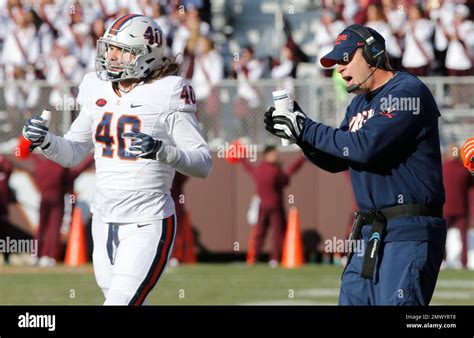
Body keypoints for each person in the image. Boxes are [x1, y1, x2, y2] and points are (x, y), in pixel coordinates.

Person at [22, 14, 211, 305]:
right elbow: (73, 151)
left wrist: (162, 151)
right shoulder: (95, 87)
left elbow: (202, 163)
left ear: (145, 54)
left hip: (148, 220)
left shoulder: (169, 92)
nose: (110, 56)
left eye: (120, 49)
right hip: (104, 220)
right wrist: (45, 141)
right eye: (108, 47)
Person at [264, 25, 446, 305]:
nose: (340, 67)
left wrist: (306, 129)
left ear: (373, 52)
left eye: (346, 58)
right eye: (336, 61)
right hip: (370, 231)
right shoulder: (358, 104)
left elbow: (366, 146)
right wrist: (299, 135)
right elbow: (339, 160)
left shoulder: (408, 92)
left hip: (408, 230)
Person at [240, 146, 305, 267]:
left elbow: (250, 170)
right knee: (277, 232)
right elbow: (285, 179)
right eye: (274, 154)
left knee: (260, 232)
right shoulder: (275, 170)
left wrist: (241, 159)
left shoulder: (260, 169)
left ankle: (253, 258)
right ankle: (274, 258)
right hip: (275, 205)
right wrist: (302, 159)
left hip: (262, 204)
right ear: (267, 155)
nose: (276, 156)